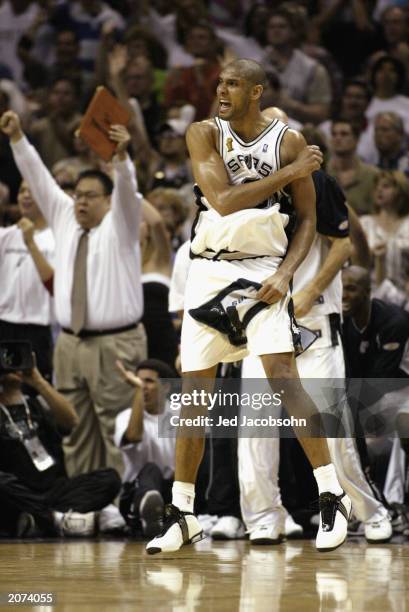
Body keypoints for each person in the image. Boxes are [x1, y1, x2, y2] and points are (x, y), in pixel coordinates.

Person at [146, 59, 351, 555]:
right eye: (220, 82)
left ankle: (332, 495)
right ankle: (183, 513)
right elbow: (220, 199)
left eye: (233, 84)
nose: (222, 90)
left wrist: (286, 273)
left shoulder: (288, 142)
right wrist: (292, 172)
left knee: (283, 375)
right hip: (208, 269)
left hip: (262, 268)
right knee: (196, 394)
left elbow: (307, 220)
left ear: (256, 91)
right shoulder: (203, 133)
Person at [238, 167, 392, 546]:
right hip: (262, 324)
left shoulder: (319, 183)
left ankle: (370, 511)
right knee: (255, 431)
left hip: (314, 322)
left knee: (333, 429)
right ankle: (263, 517)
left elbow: (344, 246)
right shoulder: (239, 187)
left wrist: (309, 292)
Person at [0, 110, 146, 478]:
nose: (81, 202)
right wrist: (18, 138)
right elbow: (40, 179)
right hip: (69, 343)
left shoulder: (122, 225)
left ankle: (118, 503)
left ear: (108, 200)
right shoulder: (65, 218)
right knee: (74, 428)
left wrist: (122, 160)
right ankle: (85, 503)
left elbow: (128, 193)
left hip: (116, 343)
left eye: (91, 197)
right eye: (77, 196)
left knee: (116, 424)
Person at [0, 343, 121, 538]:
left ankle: (43, 519)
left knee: (110, 478)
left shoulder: (36, 403)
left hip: (55, 489)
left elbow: (71, 420)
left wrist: (37, 380)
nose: (11, 366)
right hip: (18, 491)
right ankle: (57, 519)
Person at [114, 359, 176, 538]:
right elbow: (134, 436)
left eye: (148, 381)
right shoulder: (125, 417)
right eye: (138, 381)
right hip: (136, 491)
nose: (143, 386)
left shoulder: (178, 413)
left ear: (165, 387)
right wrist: (139, 391)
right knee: (151, 470)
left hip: (170, 489)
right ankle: (149, 514)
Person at [0, 180, 54, 382]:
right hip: (4, 325)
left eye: (33, 190)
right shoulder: (6, 235)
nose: (26, 195)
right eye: (22, 190)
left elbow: (54, 283)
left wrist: (30, 242)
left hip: (36, 328)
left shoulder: (55, 238)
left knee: (33, 392)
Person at [326, 120, 380, 215]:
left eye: (344, 134)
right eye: (334, 134)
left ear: (357, 139)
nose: (338, 138)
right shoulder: (322, 173)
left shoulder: (373, 175)